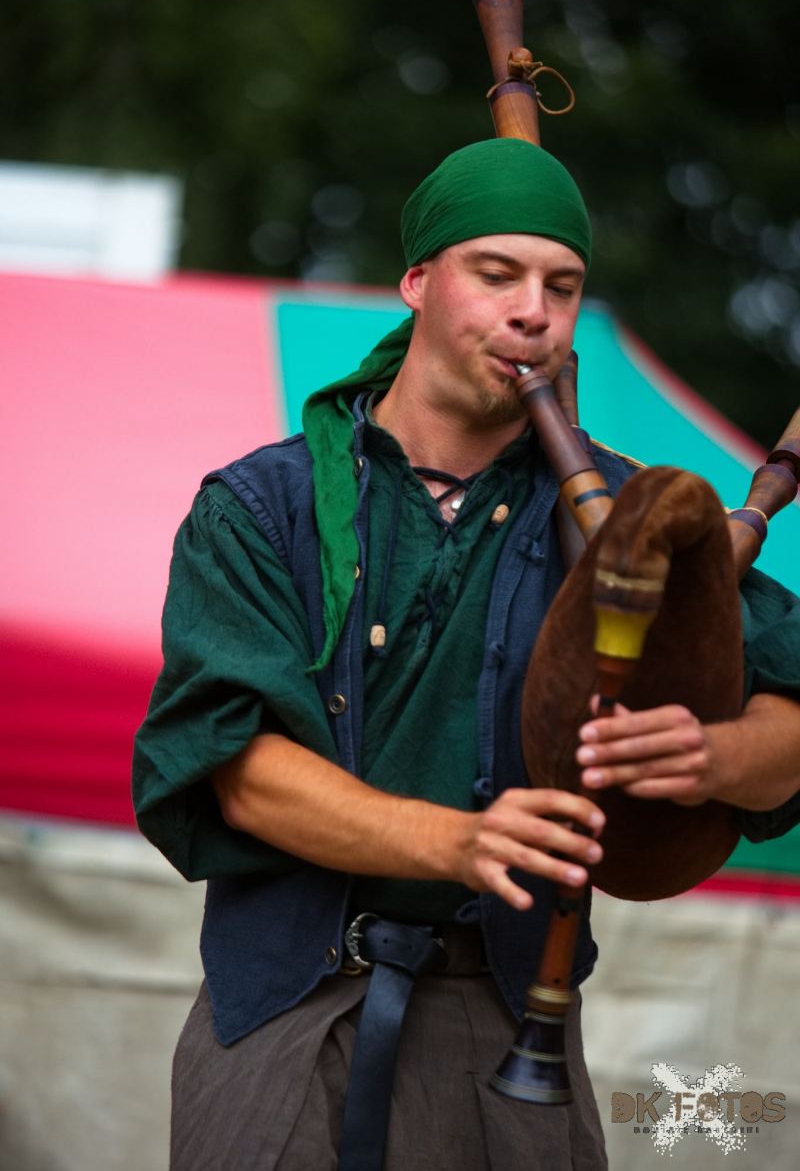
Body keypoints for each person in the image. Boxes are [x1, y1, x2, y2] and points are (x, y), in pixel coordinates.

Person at [133, 138, 800, 1171]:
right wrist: (461, 841)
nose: (533, 311)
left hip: (509, 1026)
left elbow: (790, 719)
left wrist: (712, 756)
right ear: (416, 283)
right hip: (284, 1016)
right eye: (496, 274)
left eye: (561, 286)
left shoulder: (623, 518)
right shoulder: (265, 508)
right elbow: (240, 771)